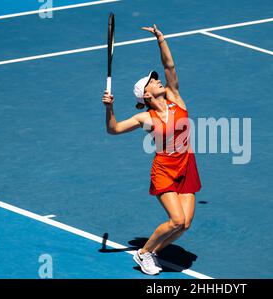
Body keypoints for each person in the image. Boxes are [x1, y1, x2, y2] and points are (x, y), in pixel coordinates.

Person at [102, 24, 201, 275]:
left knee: (185, 224)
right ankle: (144, 252)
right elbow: (113, 129)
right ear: (146, 94)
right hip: (165, 170)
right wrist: (109, 108)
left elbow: (170, 67)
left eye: (156, 79)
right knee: (176, 220)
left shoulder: (175, 98)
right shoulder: (145, 119)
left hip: (187, 165)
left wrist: (161, 40)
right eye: (153, 81)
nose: (158, 80)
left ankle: (153, 251)